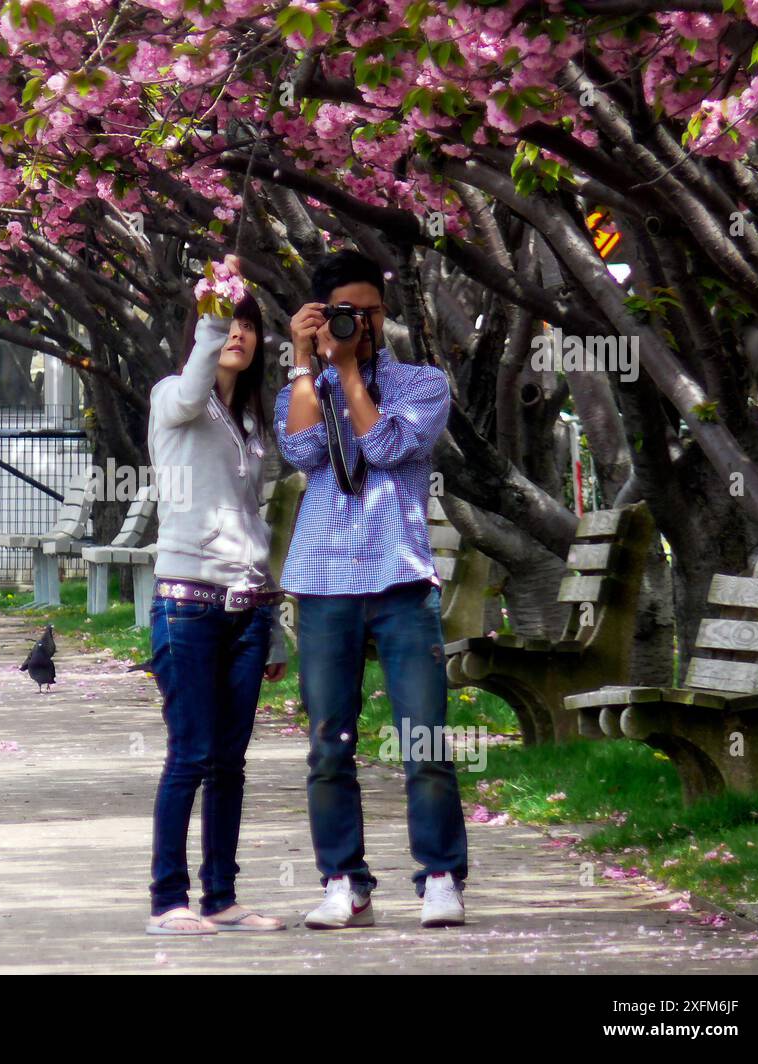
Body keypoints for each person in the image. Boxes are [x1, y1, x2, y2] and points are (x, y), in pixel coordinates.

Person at [274, 249, 469, 929]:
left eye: (372, 310)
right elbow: (300, 454)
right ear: (321, 314)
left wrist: (351, 372)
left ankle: (440, 876)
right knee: (330, 743)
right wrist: (309, 364)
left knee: (424, 736)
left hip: (400, 579)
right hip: (325, 583)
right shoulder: (305, 387)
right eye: (346, 312)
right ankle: (342, 881)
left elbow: (386, 449)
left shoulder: (422, 383)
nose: (363, 322)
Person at [144, 254, 290, 935]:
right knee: (192, 753)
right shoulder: (176, 397)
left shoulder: (253, 426)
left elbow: (254, 526)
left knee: (229, 762)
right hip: (186, 603)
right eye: (229, 324)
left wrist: (275, 619)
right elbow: (194, 381)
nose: (239, 334)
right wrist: (213, 307)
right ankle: (168, 902)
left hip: (246, 610)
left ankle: (222, 898)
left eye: (249, 326)